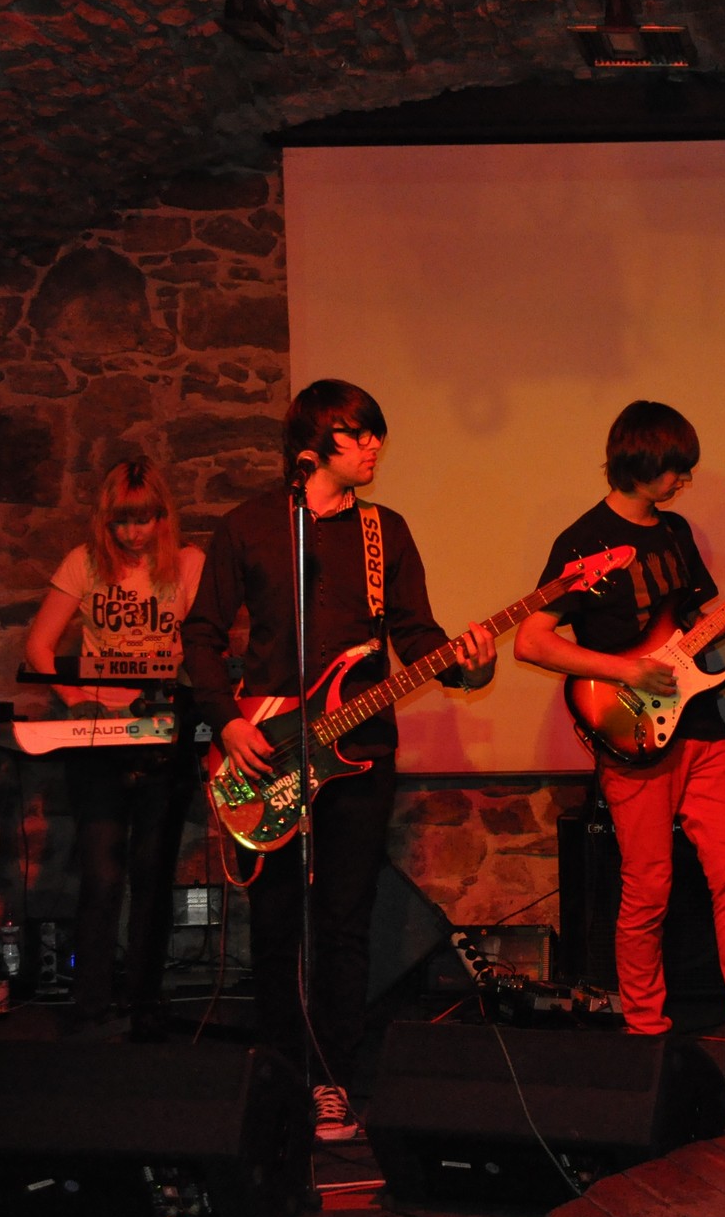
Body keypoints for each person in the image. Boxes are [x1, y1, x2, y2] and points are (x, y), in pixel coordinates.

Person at [181, 380, 495, 1141]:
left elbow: (414, 634)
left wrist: (467, 666)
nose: (374, 446)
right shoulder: (250, 525)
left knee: (345, 921)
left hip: (361, 750)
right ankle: (278, 1074)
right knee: (275, 923)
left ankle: (334, 1079)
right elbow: (202, 634)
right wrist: (227, 723)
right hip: (267, 747)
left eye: (376, 433)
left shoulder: (386, 532)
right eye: (359, 434)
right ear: (313, 445)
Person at [514, 400, 725, 1075]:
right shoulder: (581, 541)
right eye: (676, 469)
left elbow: (688, 625)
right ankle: (646, 1038)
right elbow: (531, 641)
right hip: (631, 734)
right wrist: (625, 669)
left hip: (700, 728)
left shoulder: (676, 532)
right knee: (648, 889)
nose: (684, 480)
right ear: (640, 463)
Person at [23, 457, 205, 1041]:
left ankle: (145, 999)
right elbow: (39, 646)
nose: (132, 534)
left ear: (162, 516)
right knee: (101, 875)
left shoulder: (189, 565)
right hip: (99, 736)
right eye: (121, 522)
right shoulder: (83, 563)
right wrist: (77, 700)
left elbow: (205, 647)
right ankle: (91, 1003)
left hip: (162, 734)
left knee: (153, 874)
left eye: (142, 520)